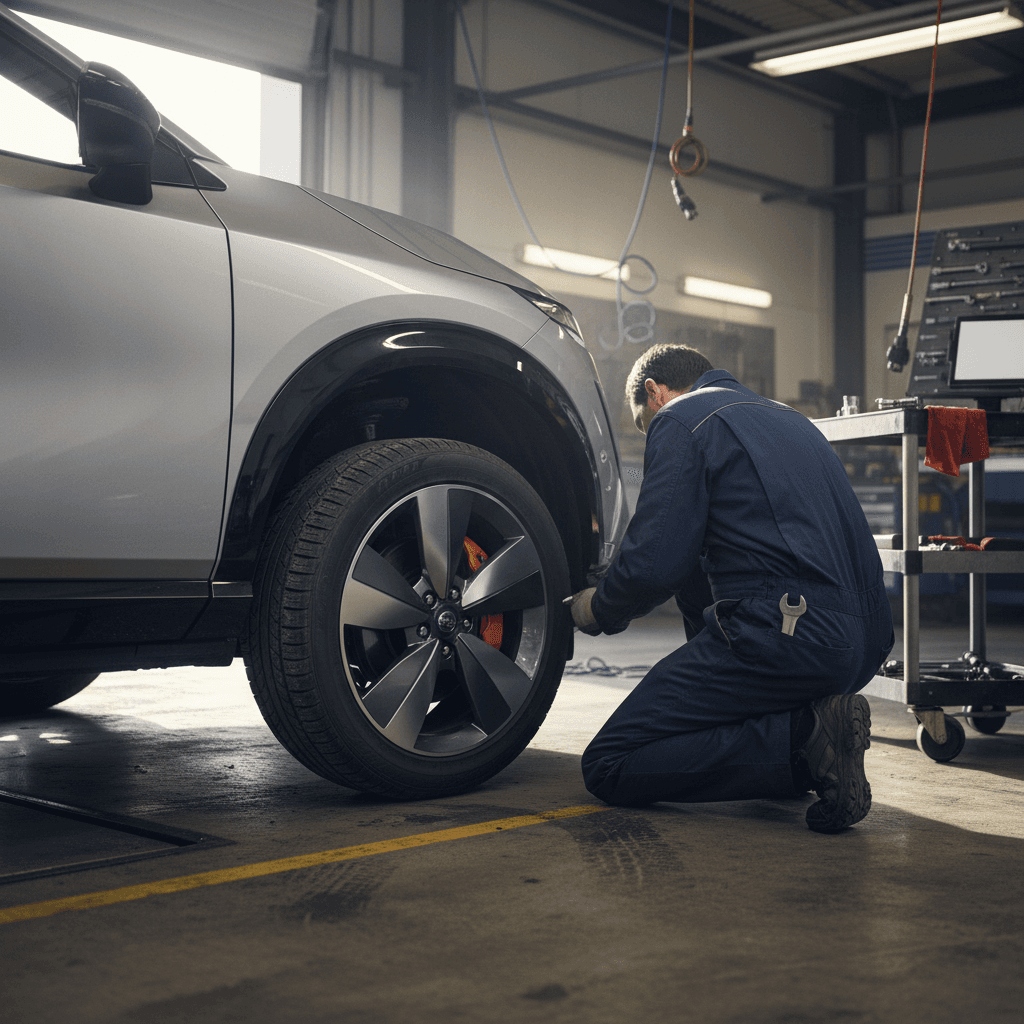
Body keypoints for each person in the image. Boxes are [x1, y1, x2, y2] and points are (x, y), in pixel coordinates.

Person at [570, 344, 894, 833]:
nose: (649, 429)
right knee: (723, 720)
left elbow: (655, 564)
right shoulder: (790, 420)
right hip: (864, 643)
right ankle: (811, 731)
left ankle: (807, 741)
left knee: (610, 762)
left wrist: (597, 609)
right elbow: (697, 570)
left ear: (654, 393)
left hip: (791, 633)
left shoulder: (681, 418)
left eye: (642, 421)